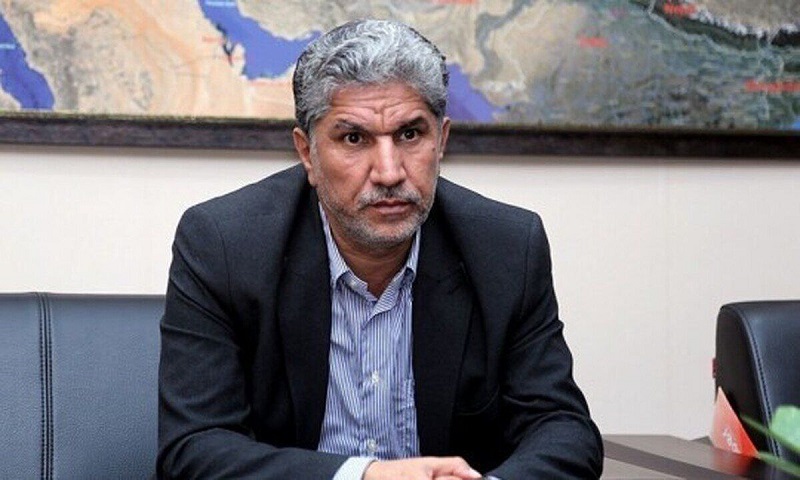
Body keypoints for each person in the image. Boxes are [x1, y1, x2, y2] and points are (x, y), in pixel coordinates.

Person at [158, 19, 603, 480]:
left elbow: (562, 429)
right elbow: (194, 448)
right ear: (307, 153)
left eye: (410, 135)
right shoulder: (224, 244)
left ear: (442, 140)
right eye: (354, 138)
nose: (389, 172)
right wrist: (365, 477)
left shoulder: (506, 247)